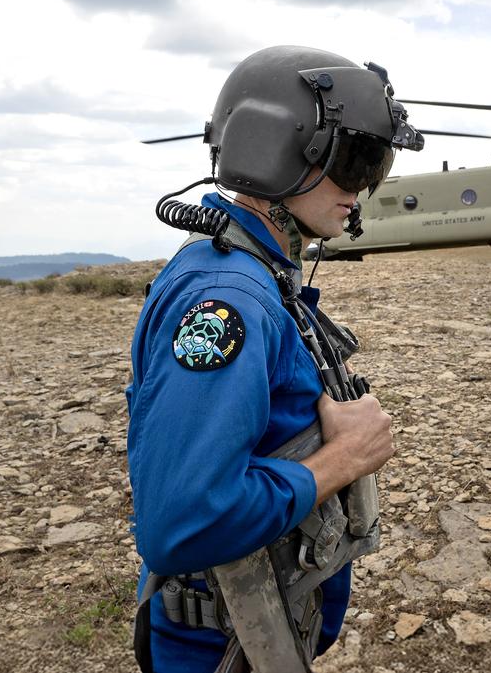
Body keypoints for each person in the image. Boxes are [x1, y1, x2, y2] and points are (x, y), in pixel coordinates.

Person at [128, 45, 424, 672]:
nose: (364, 187)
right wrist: (345, 458)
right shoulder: (228, 302)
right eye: (355, 160)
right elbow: (181, 522)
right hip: (218, 647)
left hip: (255, 631)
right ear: (276, 148)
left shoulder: (255, 272)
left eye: (377, 164)